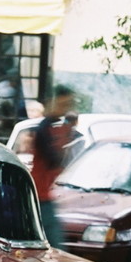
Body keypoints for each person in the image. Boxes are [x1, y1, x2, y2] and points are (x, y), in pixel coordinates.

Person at [31, 85, 76, 248]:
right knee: (56, 246)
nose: (66, 107)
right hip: (40, 197)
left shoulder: (54, 127)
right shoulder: (46, 129)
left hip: (43, 195)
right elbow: (54, 159)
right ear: (53, 102)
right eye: (64, 104)